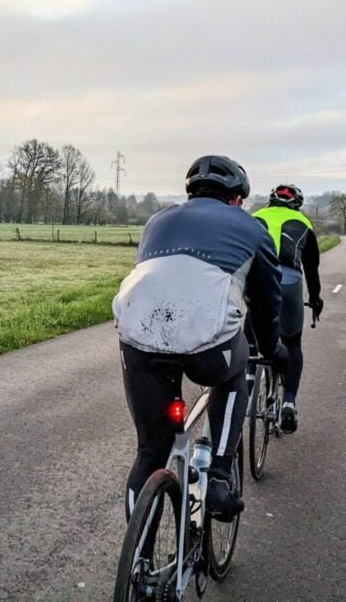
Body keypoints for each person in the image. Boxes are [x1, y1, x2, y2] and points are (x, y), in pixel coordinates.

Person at [114, 155, 282, 522]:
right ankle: (220, 474)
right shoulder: (252, 228)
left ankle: (138, 566)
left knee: (149, 452)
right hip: (207, 348)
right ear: (237, 198)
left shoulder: (158, 220)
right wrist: (272, 349)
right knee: (237, 369)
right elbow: (267, 301)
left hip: (137, 338)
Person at [248, 184, 322, 433]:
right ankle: (289, 400)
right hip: (290, 282)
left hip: (258, 281)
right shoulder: (303, 223)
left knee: (251, 336)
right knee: (293, 344)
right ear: (297, 205)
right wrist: (316, 299)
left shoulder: (255, 217)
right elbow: (311, 269)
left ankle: (248, 377)